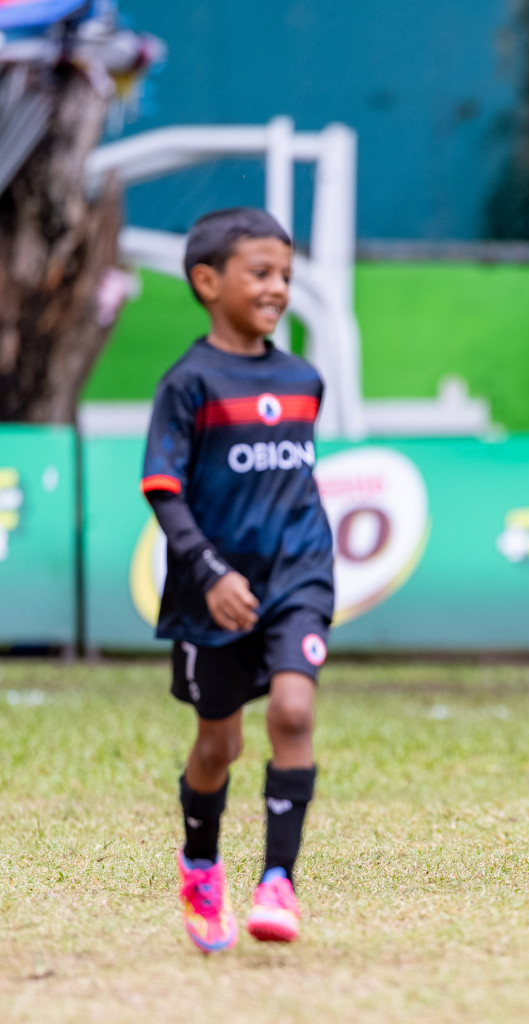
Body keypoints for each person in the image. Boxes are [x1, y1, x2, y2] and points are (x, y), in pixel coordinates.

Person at [141, 207, 334, 950]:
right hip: (212, 591)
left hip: (299, 577)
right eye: (261, 273)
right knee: (217, 746)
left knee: (292, 712)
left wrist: (306, 565)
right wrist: (211, 572)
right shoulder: (188, 383)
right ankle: (200, 865)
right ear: (206, 280)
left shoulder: (302, 378)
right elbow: (164, 488)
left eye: (286, 274)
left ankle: (277, 885)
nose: (278, 287)